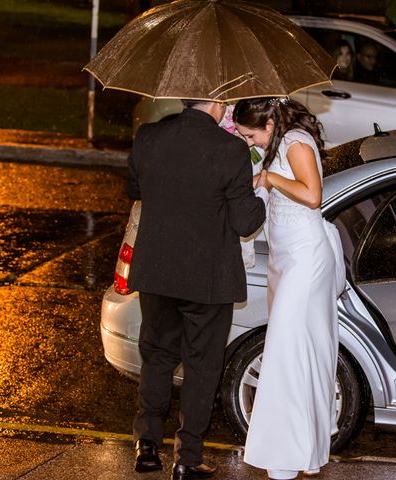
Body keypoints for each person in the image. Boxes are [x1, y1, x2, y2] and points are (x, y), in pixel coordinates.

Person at [127, 99, 268, 480]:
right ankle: (187, 457)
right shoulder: (230, 149)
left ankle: (146, 446)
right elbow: (244, 221)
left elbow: (135, 188)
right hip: (207, 279)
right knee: (201, 367)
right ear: (218, 102)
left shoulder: (149, 136)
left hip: (157, 270)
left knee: (156, 356)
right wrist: (260, 197)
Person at [233, 97, 346, 480]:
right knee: (295, 353)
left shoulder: (295, 141)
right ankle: (302, 450)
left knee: (287, 352)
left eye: (251, 135)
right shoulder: (275, 145)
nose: (251, 143)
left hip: (306, 260)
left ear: (268, 124)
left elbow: (313, 196)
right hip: (285, 259)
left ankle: (284, 453)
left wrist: (269, 179)